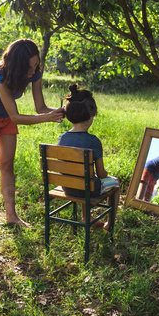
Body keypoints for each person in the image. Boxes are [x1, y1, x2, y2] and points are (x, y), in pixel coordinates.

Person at [0, 39, 64, 240]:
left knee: (7, 165)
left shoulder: (35, 72)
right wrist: (47, 118)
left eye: (35, 65)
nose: (33, 71)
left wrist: (62, 111)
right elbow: (16, 116)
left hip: (6, 119)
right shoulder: (0, 73)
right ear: (17, 65)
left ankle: (11, 216)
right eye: (29, 67)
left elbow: (40, 108)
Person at [56, 84, 120, 229]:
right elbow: (102, 174)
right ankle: (110, 223)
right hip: (87, 189)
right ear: (91, 116)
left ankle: (86, 217)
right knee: (115, 182)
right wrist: (106, 175)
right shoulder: (93, 141)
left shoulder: (62, 138)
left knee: (86, 177)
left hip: (67, 186)